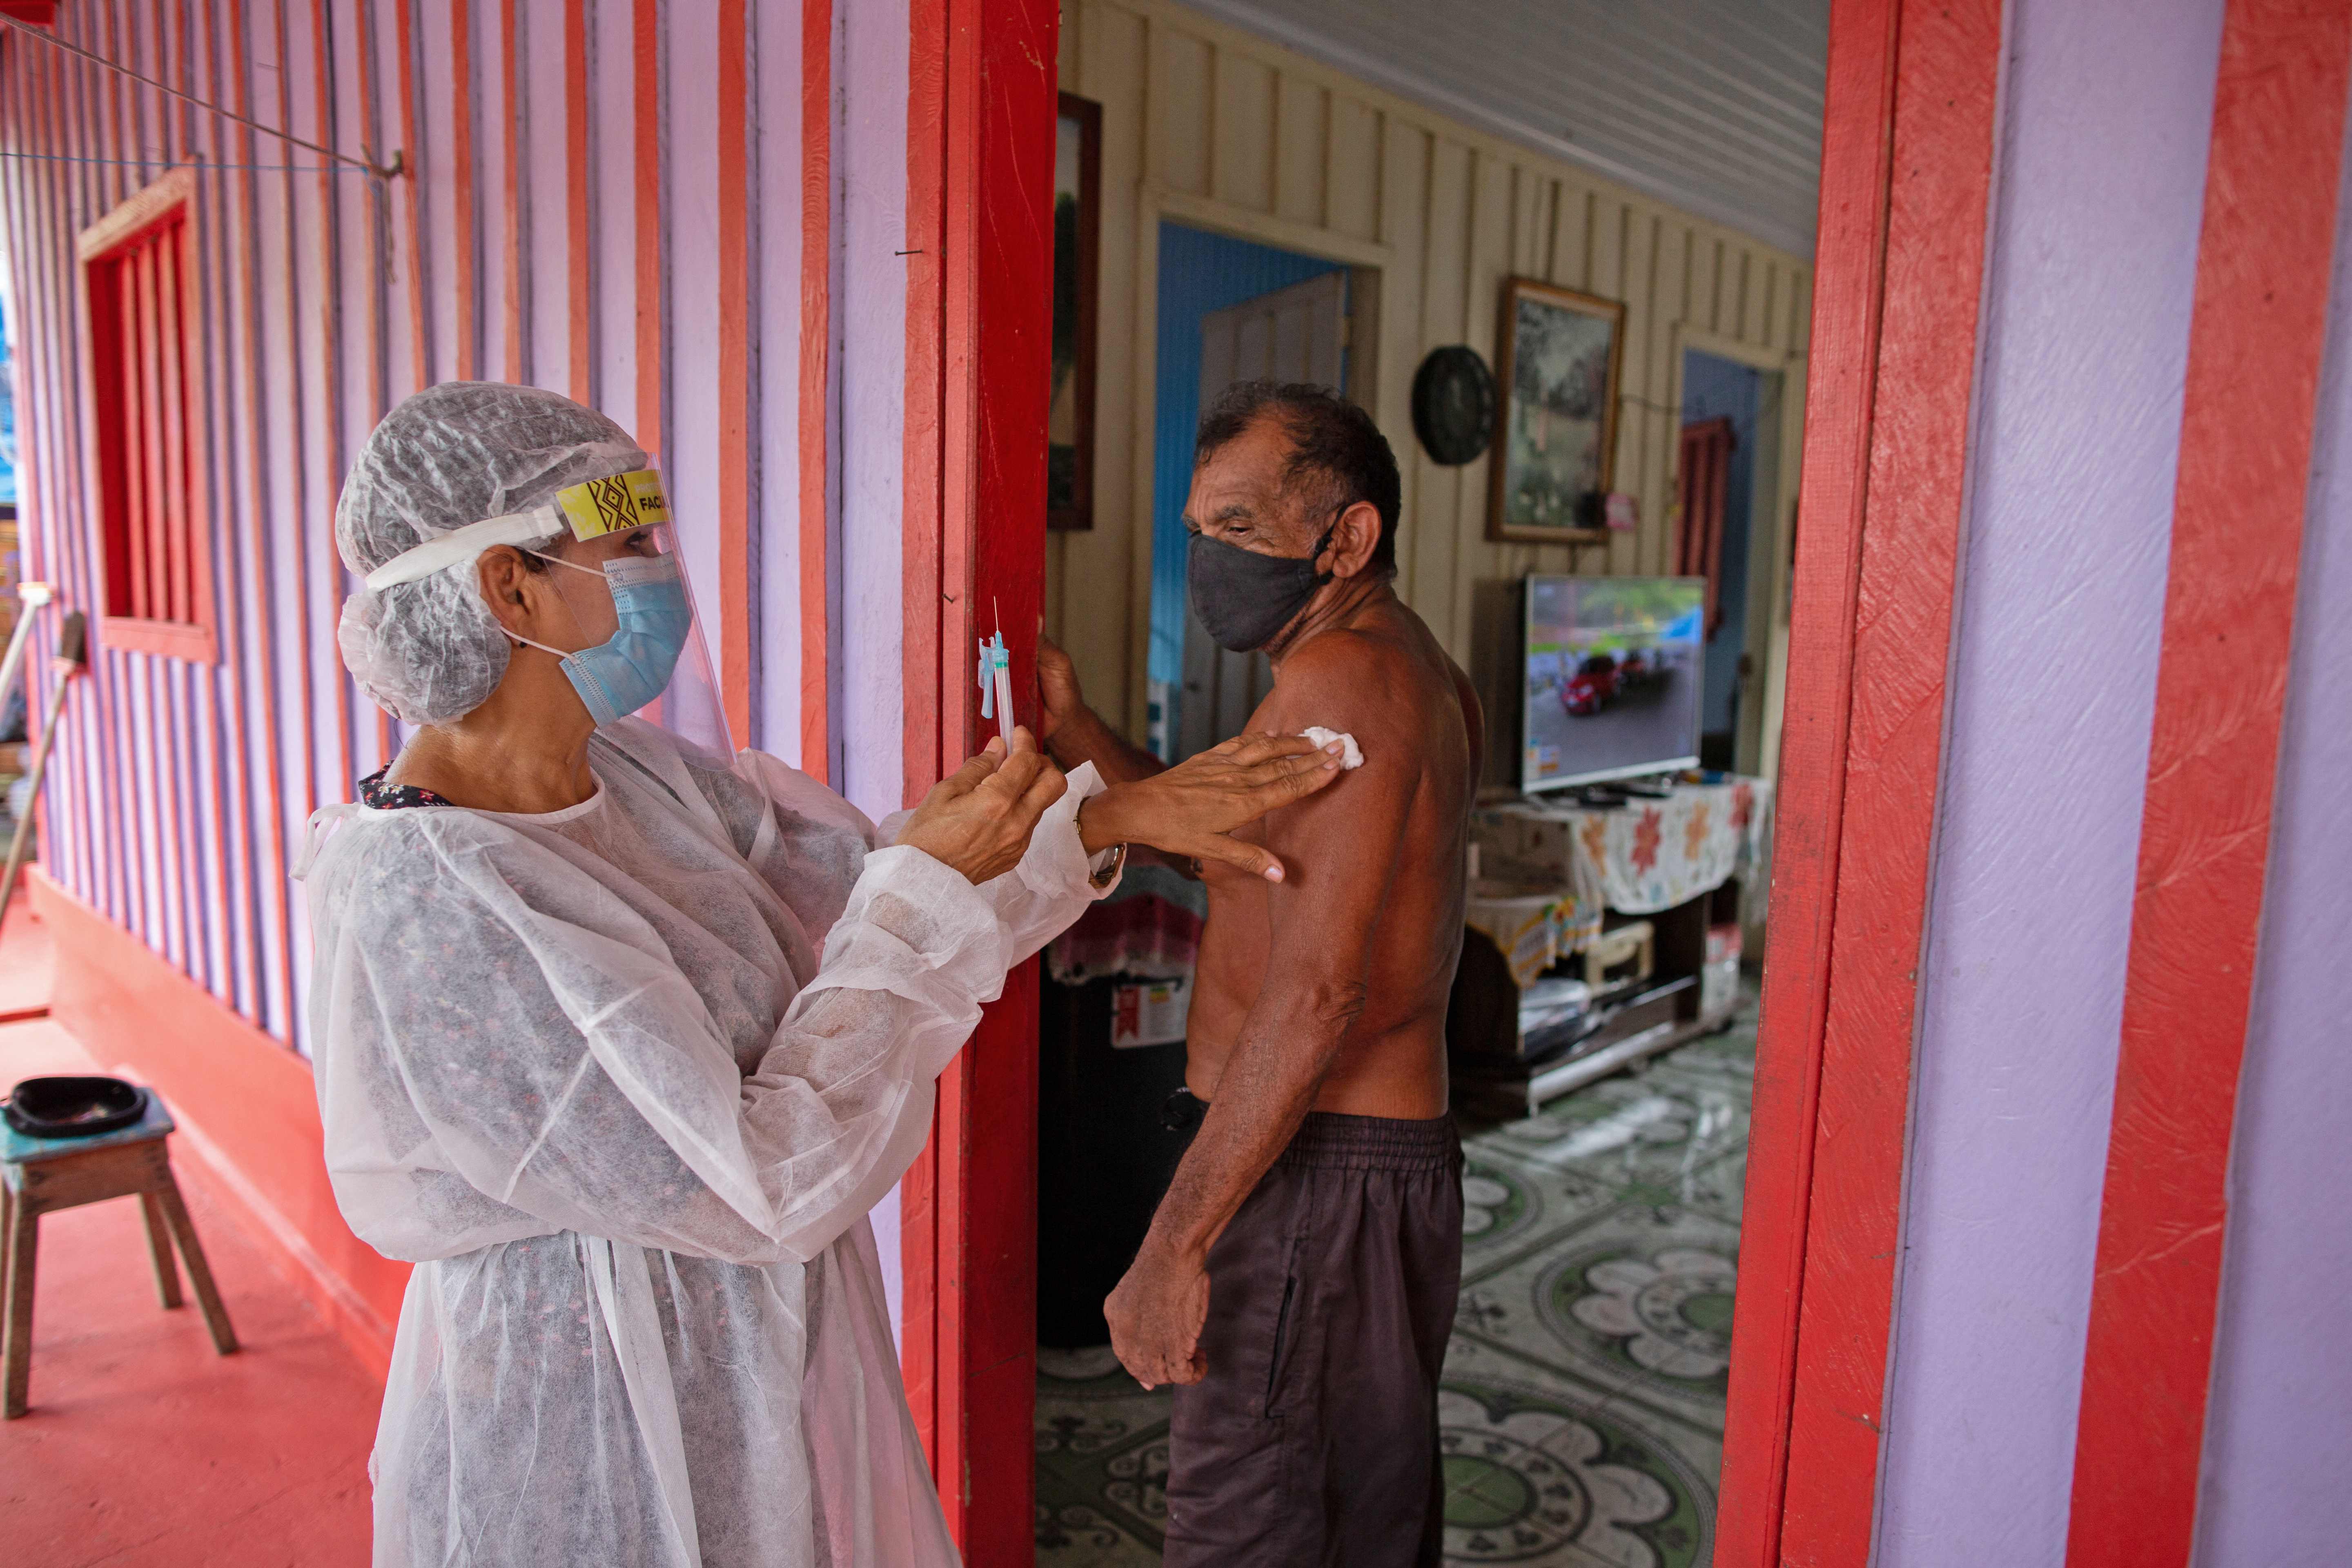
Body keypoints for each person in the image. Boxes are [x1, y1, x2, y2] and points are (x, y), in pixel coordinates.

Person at [300, 381, 1350, 1568]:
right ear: (508, 586)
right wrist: (925, 890)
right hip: (581, 1419)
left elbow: (871, 891)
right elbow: (765, 1173)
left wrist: (1110, 818)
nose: (660, 574)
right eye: (627, 540)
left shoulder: (642, 782)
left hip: (746, 1376)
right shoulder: (427, 899)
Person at [1038, 381, 1481, 1566]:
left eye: (1238, 529)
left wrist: (1171, 1247)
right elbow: (1235, 863)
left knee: (1253, 1526)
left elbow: (1319, 993)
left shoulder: (1343, 684)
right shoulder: (1394, 666)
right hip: (1357, 1173)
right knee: (1353, 1520)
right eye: (1198, 531)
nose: (1207, 558)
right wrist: (1078, 732)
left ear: (1347, 538)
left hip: (1317, 1173)